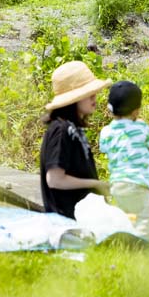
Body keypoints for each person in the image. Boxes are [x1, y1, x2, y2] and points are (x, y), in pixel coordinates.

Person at [39, 61, 111, 219]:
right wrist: (95, 184)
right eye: (88, 93)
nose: (94, 97)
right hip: (67, 220)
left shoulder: (73, 128)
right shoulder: (60, 129)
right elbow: (55, 180)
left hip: (82, 216)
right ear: (74, 99)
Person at [99, 81, 149, 240]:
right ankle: (140, 249)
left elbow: (103, 148)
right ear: (136, 111)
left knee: (126, 218)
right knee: (146, 219)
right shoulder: (141, 127)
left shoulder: (106, 131)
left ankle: (121, 245)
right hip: (137, 183)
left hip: (117, 184)